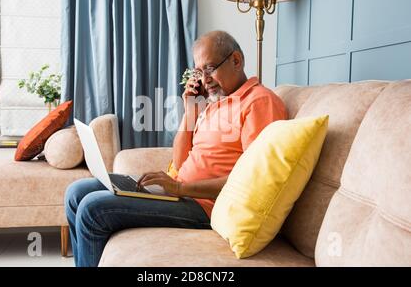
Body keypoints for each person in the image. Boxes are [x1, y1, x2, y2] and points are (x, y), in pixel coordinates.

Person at [64, 30, 288, 267]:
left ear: (236, 61)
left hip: (205, 206)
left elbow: (252, 181)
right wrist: (190, 110)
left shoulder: (259, 102)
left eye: (210, 69)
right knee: (76, 192)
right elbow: (180, 162)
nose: (204, 80)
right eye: (199, 72)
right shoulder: (216, 103)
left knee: (93, 209)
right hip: (180, 192)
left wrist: (180, 188)